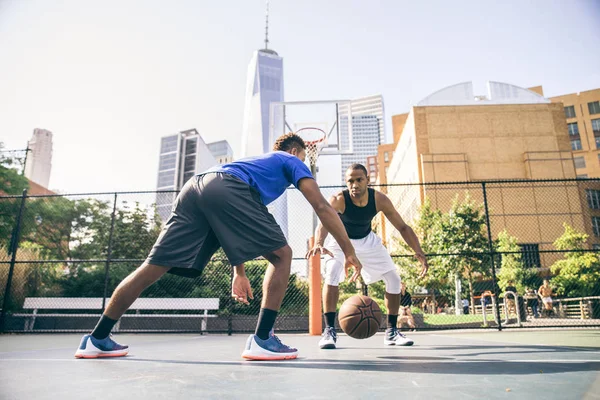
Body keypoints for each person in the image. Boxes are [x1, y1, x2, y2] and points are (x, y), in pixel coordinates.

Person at [74, 133, 362, 361]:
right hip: (228, 188)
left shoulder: (253, 163)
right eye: (303, 155)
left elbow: (228, 221)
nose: (303, 160)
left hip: (196, 187)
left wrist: (240, 271)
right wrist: (349, 251)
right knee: (282, 254)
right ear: (295, 151)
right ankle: (263, 339)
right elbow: (322, 206)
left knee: (152, 268)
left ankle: (96, 339)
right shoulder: (289, 160)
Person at [306, 163, 428, 349]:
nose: (354, 185)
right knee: (332, 273)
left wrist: (418, 250)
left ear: (367, 181)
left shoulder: (379, 199)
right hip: (339, 241)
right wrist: (319, 243)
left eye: (359, 180)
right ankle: (329, 331)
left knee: (393, 279)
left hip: (367, 241)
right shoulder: (338, 199)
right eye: (350, 181)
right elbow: (323, 222)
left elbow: (402, 226)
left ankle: (392, 332)